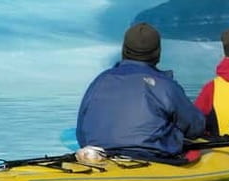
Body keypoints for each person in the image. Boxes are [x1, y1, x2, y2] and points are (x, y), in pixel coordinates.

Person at [76, 22, 205, 162]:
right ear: (157, 53)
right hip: (151, 157)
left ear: (124, 50)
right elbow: (195, 128)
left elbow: (81, 132)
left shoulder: (100, 80)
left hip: (99, 156)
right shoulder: (165, 85)